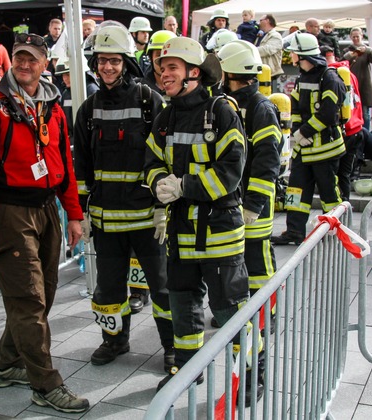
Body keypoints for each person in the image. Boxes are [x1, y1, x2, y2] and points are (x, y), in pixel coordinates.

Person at [0, 32, 89, 414]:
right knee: (28, 301)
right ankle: (45, 384)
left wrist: (74, 215)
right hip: (9, 212)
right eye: (19, 56)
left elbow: (64, 166)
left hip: (47, 208)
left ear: (44, 64)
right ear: (10, 60)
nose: (24, 63)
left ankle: (6, 366)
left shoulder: (52, 107)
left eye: (32, 58)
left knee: (44, 294)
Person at [144, 36, 249, 390]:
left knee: (229, 309)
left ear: (194, 72)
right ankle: (186, 374)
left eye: (171, 68)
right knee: (183, 309)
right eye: (162, 69)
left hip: (218, 231)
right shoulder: (164, 116)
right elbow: (152, 160)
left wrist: (184, 187)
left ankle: (251, 372)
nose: (164, 75)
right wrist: (159, 182)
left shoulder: (221, 112)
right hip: (179, 235)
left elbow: (231, 171)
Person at [73, 24, 174, 369]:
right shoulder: (87, 110)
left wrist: (163, 208)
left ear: (126, 62)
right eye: (102, 61)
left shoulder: (149, 102)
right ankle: (114, 341)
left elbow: (164, 157)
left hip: (147, 219)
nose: (107, 67)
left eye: (114, 61)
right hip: (106, 220)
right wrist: (82, 213)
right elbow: (82, 166)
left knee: (162, 289)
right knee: (108, 290)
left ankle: (172, 347)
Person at [216, 39, 281, 405]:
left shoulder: (261, 108)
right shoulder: (232, 103)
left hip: (252, 213)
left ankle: (265, 325)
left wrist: (254, 204)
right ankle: (249, 318)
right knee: (242, 275)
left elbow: (267, 161)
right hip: (233, 209)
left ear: (229, 72)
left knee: (260, 272)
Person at [271, 33, 346, 246]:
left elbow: (329, 113)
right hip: (304, 150)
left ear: (302, 54)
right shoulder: (303, 76)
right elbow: (295, 107)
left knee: (329, 193)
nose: (291, 56)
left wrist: (304, 132)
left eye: (293, 52)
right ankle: (294, 232)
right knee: (295, 192)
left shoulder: (329, 77)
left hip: (325, 150)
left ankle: (335, 229)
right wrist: (296, 133)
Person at [321, 45, 364, 201]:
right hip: (356, 129)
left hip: (342, 131)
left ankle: (337, 211)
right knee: (345, 174)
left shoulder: (329, 75)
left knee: (333, 175)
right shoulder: (348, 73)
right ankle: (346, 208)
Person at [54, 55, 98, 142]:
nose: (65, 78)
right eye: (63, 75)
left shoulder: (91, 91)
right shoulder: (66, 94)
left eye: (68, 74)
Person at [343, 28, 372, 129]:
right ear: (350, 37)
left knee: (365, 113)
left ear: (362, 36)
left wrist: (368, 50)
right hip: (351, 84)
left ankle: (366, 134)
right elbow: (342, 62)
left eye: (357, 36)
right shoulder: (347, 51)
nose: (356, 39)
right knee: (351, 111)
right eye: (354, 37)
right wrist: (351, 55)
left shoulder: (367, 51)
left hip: (364, 85)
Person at [140, 30, 177, 96]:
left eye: (169, 55)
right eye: (159, 55)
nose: (163, 61)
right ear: (151, 58)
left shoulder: (187, 89)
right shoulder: (139, 90)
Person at [256, 14, 284, 84]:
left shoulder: (275, 36)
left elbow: (267, 50)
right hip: (261, 71)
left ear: (267, 20)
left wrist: (251, 50)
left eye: (260, 20)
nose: (259, 23)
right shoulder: (261, 36)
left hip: (270, 73)